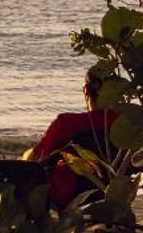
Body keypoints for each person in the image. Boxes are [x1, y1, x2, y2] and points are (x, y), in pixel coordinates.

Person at [25, 65, 120, 207]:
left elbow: (37, 158)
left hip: (69, 196)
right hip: (116, 192)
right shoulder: (127, 125)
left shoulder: (67, 124)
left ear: (86, 90)